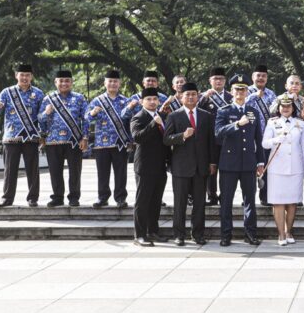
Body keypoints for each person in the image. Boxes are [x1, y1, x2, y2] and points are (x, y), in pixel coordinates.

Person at [163, 82, 217, 246]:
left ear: (198, 96)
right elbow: (166, 139)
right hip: (181, 167)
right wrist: (182, 136)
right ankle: (179, 235)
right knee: (179, 204)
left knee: (199, 204)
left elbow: (211, 142)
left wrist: (212, 162)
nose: (191, 97)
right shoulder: (174, 116)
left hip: (201, 167)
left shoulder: (206, 116)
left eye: (194, 94)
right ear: (181, 97)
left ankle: (198, 234)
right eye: (188, 95)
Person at [216, 74, 266, 246]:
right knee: (226, 201)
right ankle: (225, 235)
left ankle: (250, 233)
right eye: (237, 89)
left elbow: (258, 139)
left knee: (250, 201)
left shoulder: (253, 112)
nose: (240, 92)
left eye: (243, 89)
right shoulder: (224, 111)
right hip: (229, 163)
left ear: (247, 91)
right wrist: (237, 124)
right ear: (231, 91)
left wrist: (260, 162)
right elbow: (218, 133)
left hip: (248, 162)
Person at [0, 64, 44, 207]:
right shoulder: (7, 92)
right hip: (11, 136)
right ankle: (7, 198)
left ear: (31, 77)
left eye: (27, 75)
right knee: (9, 169)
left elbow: (43, 116)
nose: (25, 78)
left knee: (32, 169)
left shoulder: (38, 93)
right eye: (22, 75)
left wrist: (43, 134)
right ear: (16, 76)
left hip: (31, 137)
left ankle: (33, 198)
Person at [262, 95, 304, 246]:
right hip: (277, 168)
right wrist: (276, 140)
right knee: (278, 202)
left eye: (289, 106)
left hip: (295, 167)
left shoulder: (300, 123)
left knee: (292, 202)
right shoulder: (272, 122)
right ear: (279, 108)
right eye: (283, 106)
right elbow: (264, 144)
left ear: (293, 108)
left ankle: (289, 231)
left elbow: (303, 146)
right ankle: (281, 234)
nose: (285, 109)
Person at [38, 70, 89, 208]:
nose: (64, 83)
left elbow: (86, 118)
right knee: (55, 171)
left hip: (74, 140)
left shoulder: (79, 98)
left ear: (72, 82)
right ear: (56, 82)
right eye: (61, 81)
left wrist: (84, 137)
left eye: (67, 81)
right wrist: (46, 113)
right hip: (53, 141)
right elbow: (40, 120)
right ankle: (58, 197)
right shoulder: (48, 99)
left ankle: (74, 197)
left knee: (75, 171)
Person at [130, 88, 170, 247]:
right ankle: (139, 235)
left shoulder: (163, 116)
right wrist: (154, 123)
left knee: (156, 200)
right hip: (145, 166)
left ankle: (153, 231)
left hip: (160, 165)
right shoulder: (138, 117)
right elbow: (137, 137)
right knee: (143, 201)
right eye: (149, 99)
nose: (152, 101)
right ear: (142, 102)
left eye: (155, 99)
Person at [87, 70, 131, 209]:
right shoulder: (97, 100)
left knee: (121, 172)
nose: (112, 84)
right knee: (103, 173)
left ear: (119, 83)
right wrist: (93, 113)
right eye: (110, 81)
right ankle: (103, 197)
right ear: (105, 83)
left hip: (120, 142)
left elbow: (130, 121)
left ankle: (120, 198)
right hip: (101, 143)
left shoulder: (125, 101)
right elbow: (87, 118)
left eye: (115, 81)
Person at [198, 67, 232, 206]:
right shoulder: (203, 97)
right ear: (210, 81)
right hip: (210, 138)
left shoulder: (231, 97)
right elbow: (196, 112)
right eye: (215, 79)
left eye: (221, 79)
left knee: (225, 168)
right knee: (211, 168)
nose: (218, 81)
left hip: (226, 139)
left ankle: (224, 196)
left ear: (225, 81)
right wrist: (205, 97)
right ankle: (211, 196)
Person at [246, 64, 277, 206]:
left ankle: (265, 197)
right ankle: (248, 198)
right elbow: (240, 106)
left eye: (263, 76)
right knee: (250, 168)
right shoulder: (245, 91)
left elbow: (277, 112)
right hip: (249, 136)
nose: (261, 78)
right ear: (253, 77)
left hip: (267, 137)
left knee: (266, 167)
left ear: (267, 78)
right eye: (258, 75)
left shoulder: (271, 93)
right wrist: (253, 96)